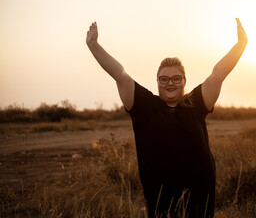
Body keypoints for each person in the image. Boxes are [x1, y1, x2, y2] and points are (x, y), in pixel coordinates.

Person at [86, 18, 247, 217]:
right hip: (160, 201)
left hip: (200, 201)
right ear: (157, 82)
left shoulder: (196, 103)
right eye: (164, 79)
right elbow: (120, 75)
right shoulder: (144, 106)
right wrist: (93, 46)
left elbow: (218, 74)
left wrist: (241, 45)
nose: (170, 83)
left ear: (184, 80)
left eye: (176, 78)